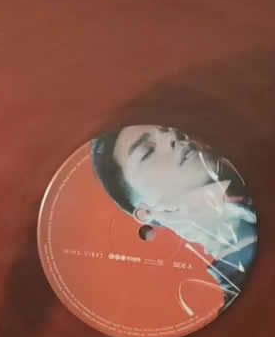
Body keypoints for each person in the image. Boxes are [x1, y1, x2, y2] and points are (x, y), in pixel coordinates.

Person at [91, 125, 257, 308]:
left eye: (169, 129)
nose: (173, 137)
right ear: (145, 211)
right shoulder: (243, 292)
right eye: (147, 152)